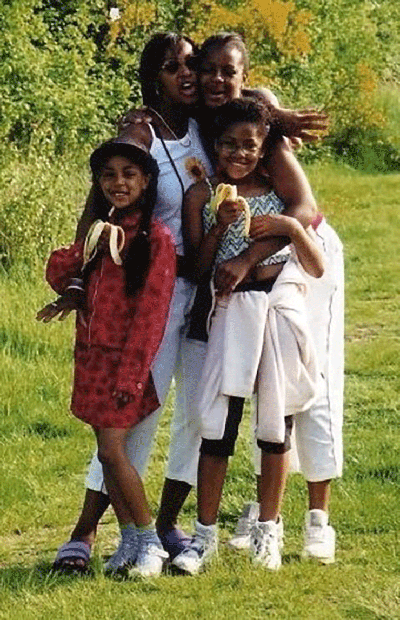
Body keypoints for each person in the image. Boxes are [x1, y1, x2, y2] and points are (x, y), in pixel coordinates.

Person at [43, 31, 327, 572]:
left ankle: (170, 524)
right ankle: (87, 532)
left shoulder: (210, 126)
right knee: (133, 417)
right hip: (149, 295)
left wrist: (281, 114)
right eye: (174, 67)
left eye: (191, 64)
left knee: (199, 417)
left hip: (209, 294)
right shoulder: (140, 132)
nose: (188, 74)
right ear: (154, 76)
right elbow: (99, 206)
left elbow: (257, 117)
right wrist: (78, 277)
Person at [171, 98, 324, 575]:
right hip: (230, 311)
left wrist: (280, 233)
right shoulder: (204, 194)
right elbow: (196, 267)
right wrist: (219, 232)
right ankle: (204, 536)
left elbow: (312, 259)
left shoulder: (276, 196)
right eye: (229, 145)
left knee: (275, 426)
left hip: (274, 307)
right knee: (219, 423)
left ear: (264, 150)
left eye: (249, 146)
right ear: (214, 145)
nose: (238, 154)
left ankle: (268, 531)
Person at [37, 136, 176, 577]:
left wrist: (132, 376)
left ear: (147, 180)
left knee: (115, 455)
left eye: (129, 174)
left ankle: (149, 540)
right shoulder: (104, 231)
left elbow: (152, 316)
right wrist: (90, 241)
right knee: (106, 454)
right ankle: (131, 543)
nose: (118, 183)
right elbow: (59, 269)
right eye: (108, 175)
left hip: (124, 365)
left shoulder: (156, 238)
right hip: (91, 361)